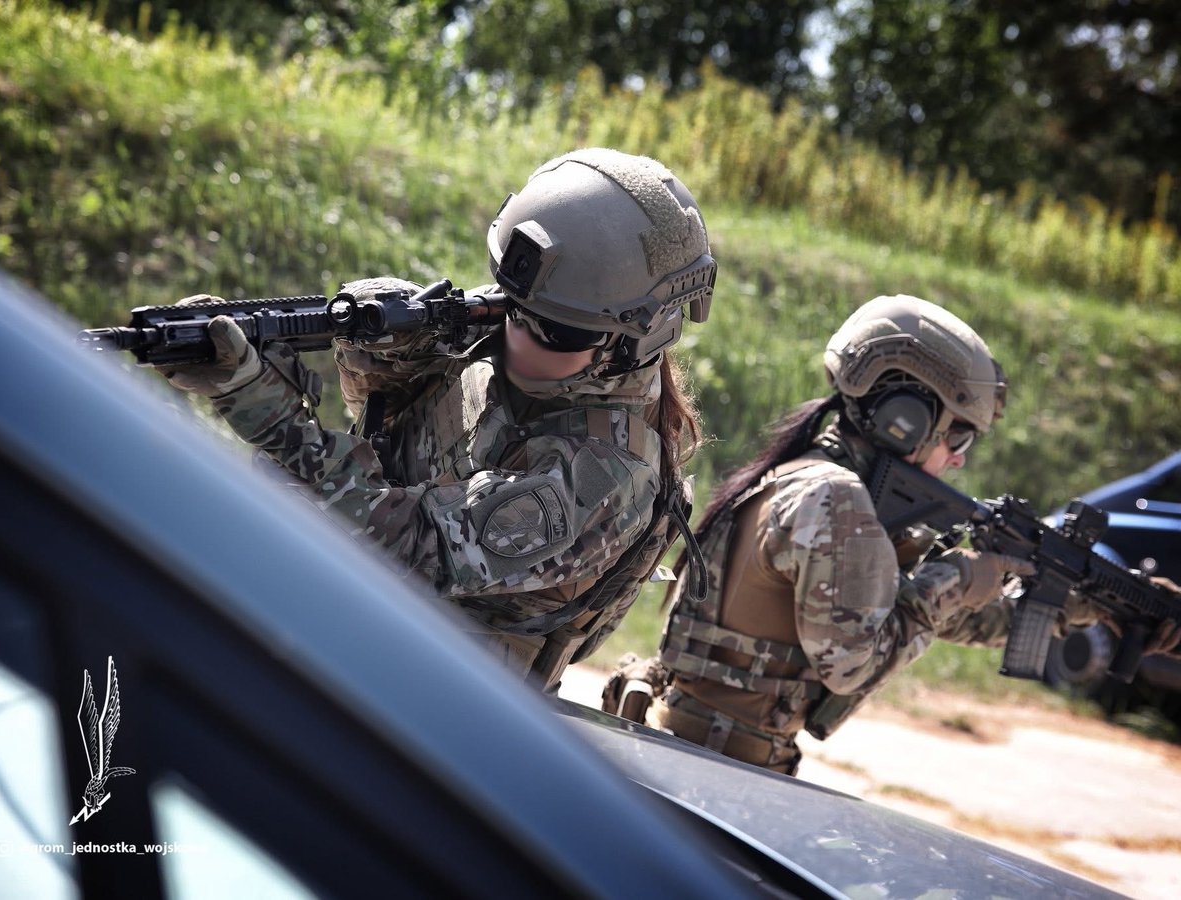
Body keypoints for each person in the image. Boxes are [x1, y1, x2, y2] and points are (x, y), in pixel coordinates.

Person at [164, 148, 717, 689]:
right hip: (368, 624)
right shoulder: (544, 330)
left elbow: (412, 546)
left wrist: (262, 408)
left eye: (558, 332)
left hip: (441, 698)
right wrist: (384, 347)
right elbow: (384, 422)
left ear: (639, 340)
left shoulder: (606, 476)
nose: (517, 339)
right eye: (512, 308)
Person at [604, 293, 1179, 775]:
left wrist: (1090, 608)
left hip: (702, 755)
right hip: (718, 770)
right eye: (959, 437)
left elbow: (940, 617)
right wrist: (955, 578)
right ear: (908, 420)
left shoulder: (800, 475)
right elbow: (853, 663)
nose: (959, 459)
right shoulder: (834, 500)